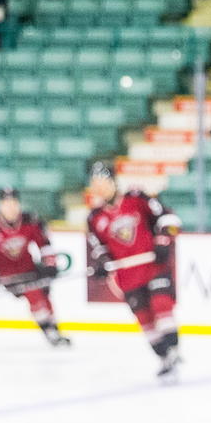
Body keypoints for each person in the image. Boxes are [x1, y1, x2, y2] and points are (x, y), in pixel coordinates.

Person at [85, 162, 184, 378]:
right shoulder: (94, 218)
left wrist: (163, 240)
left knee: (161, 305)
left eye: (103, 182)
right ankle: (164, 357)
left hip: (153, 267)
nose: (100, 187)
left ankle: (174, 350)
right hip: (128, 277)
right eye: (95, 183)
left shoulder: (136, 198)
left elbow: (167, 218)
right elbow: (99, 248)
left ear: (113, 181)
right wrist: (102, 263)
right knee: (145, 320)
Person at [0, 187, 70, 347]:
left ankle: (52, 327)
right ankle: (49, 329)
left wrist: (50, 263)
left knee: (43, 292)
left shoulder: (30, 221)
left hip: (29, 270)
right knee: (34, 293)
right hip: (7, 276)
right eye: (7, 204)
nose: (11, 208)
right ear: (0, 205)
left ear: (19, 204)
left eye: (14, 203)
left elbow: (44, 244)